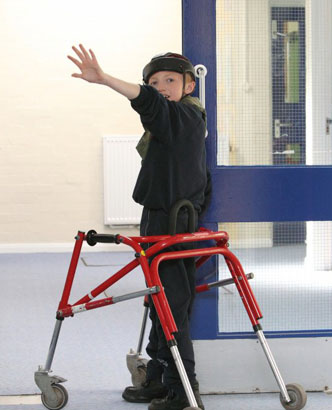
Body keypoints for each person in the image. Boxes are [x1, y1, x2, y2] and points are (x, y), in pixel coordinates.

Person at [68, 45, 210, 410]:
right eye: (154, 81)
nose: (161, 86)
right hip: (162, 218)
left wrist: (106, 80)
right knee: (157, 299)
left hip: (171, 224)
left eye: (170, 80)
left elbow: (150, 103)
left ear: (189, 86)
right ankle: (160, 379)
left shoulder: (182, 118)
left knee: (173, 306)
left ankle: (183, 389)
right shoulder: (178, 125)